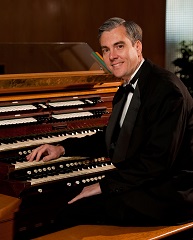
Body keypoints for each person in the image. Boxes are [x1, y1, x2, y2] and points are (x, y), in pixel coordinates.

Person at [27, 17, 193, 227]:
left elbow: (157, 162)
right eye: (105, 50)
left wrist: (103, 186)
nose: (112, 56)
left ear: (138, 47)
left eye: (119, 46)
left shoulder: (166, 90)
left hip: (170, 193)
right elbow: (113, 138)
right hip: (145, 182)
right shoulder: (128, 86)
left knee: (71, 215)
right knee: (68, 200)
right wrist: (62, 148)